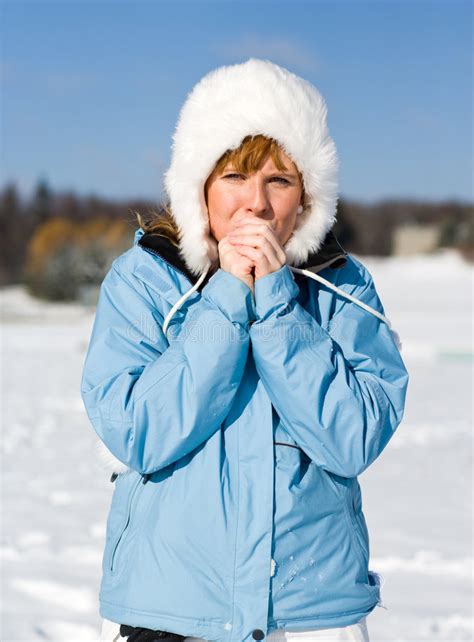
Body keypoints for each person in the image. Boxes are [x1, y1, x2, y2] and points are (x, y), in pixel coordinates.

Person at [80, 58, 409, 642]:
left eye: (279, 181)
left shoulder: (341, 285)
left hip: (313, 612)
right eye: (234, 176)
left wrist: (278, 307)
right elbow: (139, 431)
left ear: (305, 199)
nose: (255, 203)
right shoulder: (144, 280)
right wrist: (228, 300)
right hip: (171, 609)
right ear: (199, 188)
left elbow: (353, 435)